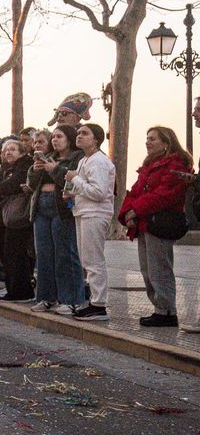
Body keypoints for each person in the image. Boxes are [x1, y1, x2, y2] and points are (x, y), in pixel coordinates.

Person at [118, 126, 194, 329]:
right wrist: (128, 213)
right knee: (147, 269)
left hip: (160, 224)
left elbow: (165, 194)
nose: (147, 142)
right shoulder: (149, 165)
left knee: (160, 268)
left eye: (152, 139)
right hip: (145, 222)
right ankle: (159, 308)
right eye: (147, 138)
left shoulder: (177, 164)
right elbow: (134, 191)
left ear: (166, 142)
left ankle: (167, 311)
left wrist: (136, 210)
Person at [27, 125, 83, 313]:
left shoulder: (77, 158)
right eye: (54, 137)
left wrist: (55, 169)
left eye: (60, 136)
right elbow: (31, 184)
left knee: (64, 253)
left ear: (69, 138)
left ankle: (70, 299)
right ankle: (46, 297)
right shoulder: (48, 156)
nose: (55, 140)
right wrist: (35, 170)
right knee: (43, 254)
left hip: (62, 208)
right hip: (41, 207)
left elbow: (72, 182)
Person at [67, 123, 116, 320]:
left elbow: (98, 192)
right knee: (87, 259)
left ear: (96, 139)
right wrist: (71, 192)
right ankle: (94, 301)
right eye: (78, 133)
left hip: (95, 213)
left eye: (84, 133)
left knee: (94, 260)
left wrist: (75, 180)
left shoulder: (98, 161)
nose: (79, 136)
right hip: (84, 212)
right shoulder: (85, 160)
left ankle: (99, 305)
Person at [0, 139, 35, 302]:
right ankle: (12, 288)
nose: (8, 152)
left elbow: (11, 184)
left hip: (18, 216)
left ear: (22, 152)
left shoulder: (24, 166)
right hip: (5, 215)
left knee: (16, 253)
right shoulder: (6, 168)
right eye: (6, 150)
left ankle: (21, 291)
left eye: (13, 149)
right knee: (6, 253)